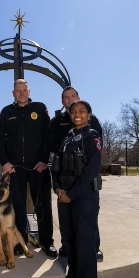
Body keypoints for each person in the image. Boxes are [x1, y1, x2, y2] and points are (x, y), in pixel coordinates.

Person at [0, 79, 57, 258]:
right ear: (13, 93)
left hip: (39, 167)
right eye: (18, 90)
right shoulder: (7, 112)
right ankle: (20, 242)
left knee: (43, 205)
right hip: (15, 169)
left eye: (24, 90)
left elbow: (48, 136)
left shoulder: (40, 108)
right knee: (17, 207)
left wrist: (44, 160)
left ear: (29, 91)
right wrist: (5, 162)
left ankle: (47, 242)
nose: (21, 93)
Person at [52, 100, 102, 278]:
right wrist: (58, 189)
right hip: (65, 198)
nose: (77, 114)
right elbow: (55, 166)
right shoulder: (67, 138)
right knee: (70, 245)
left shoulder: (93, 138)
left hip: (84, 198)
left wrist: (71, 194)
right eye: (74, 111)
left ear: (89, 115)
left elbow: (91, 170)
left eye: (82, 111)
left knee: (84, 247)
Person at [49, 86, 104, 262]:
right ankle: (67, 245)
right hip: (64, 175)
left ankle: (93, 247)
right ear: (62, 102)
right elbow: (52, 146)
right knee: (67, 221)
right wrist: (57, 185)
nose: (70, 99)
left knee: (88, 218)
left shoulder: (91, 119)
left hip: (84, 179)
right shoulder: (57, 121)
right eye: (66, 97)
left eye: (73, 95)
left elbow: (94, 153)